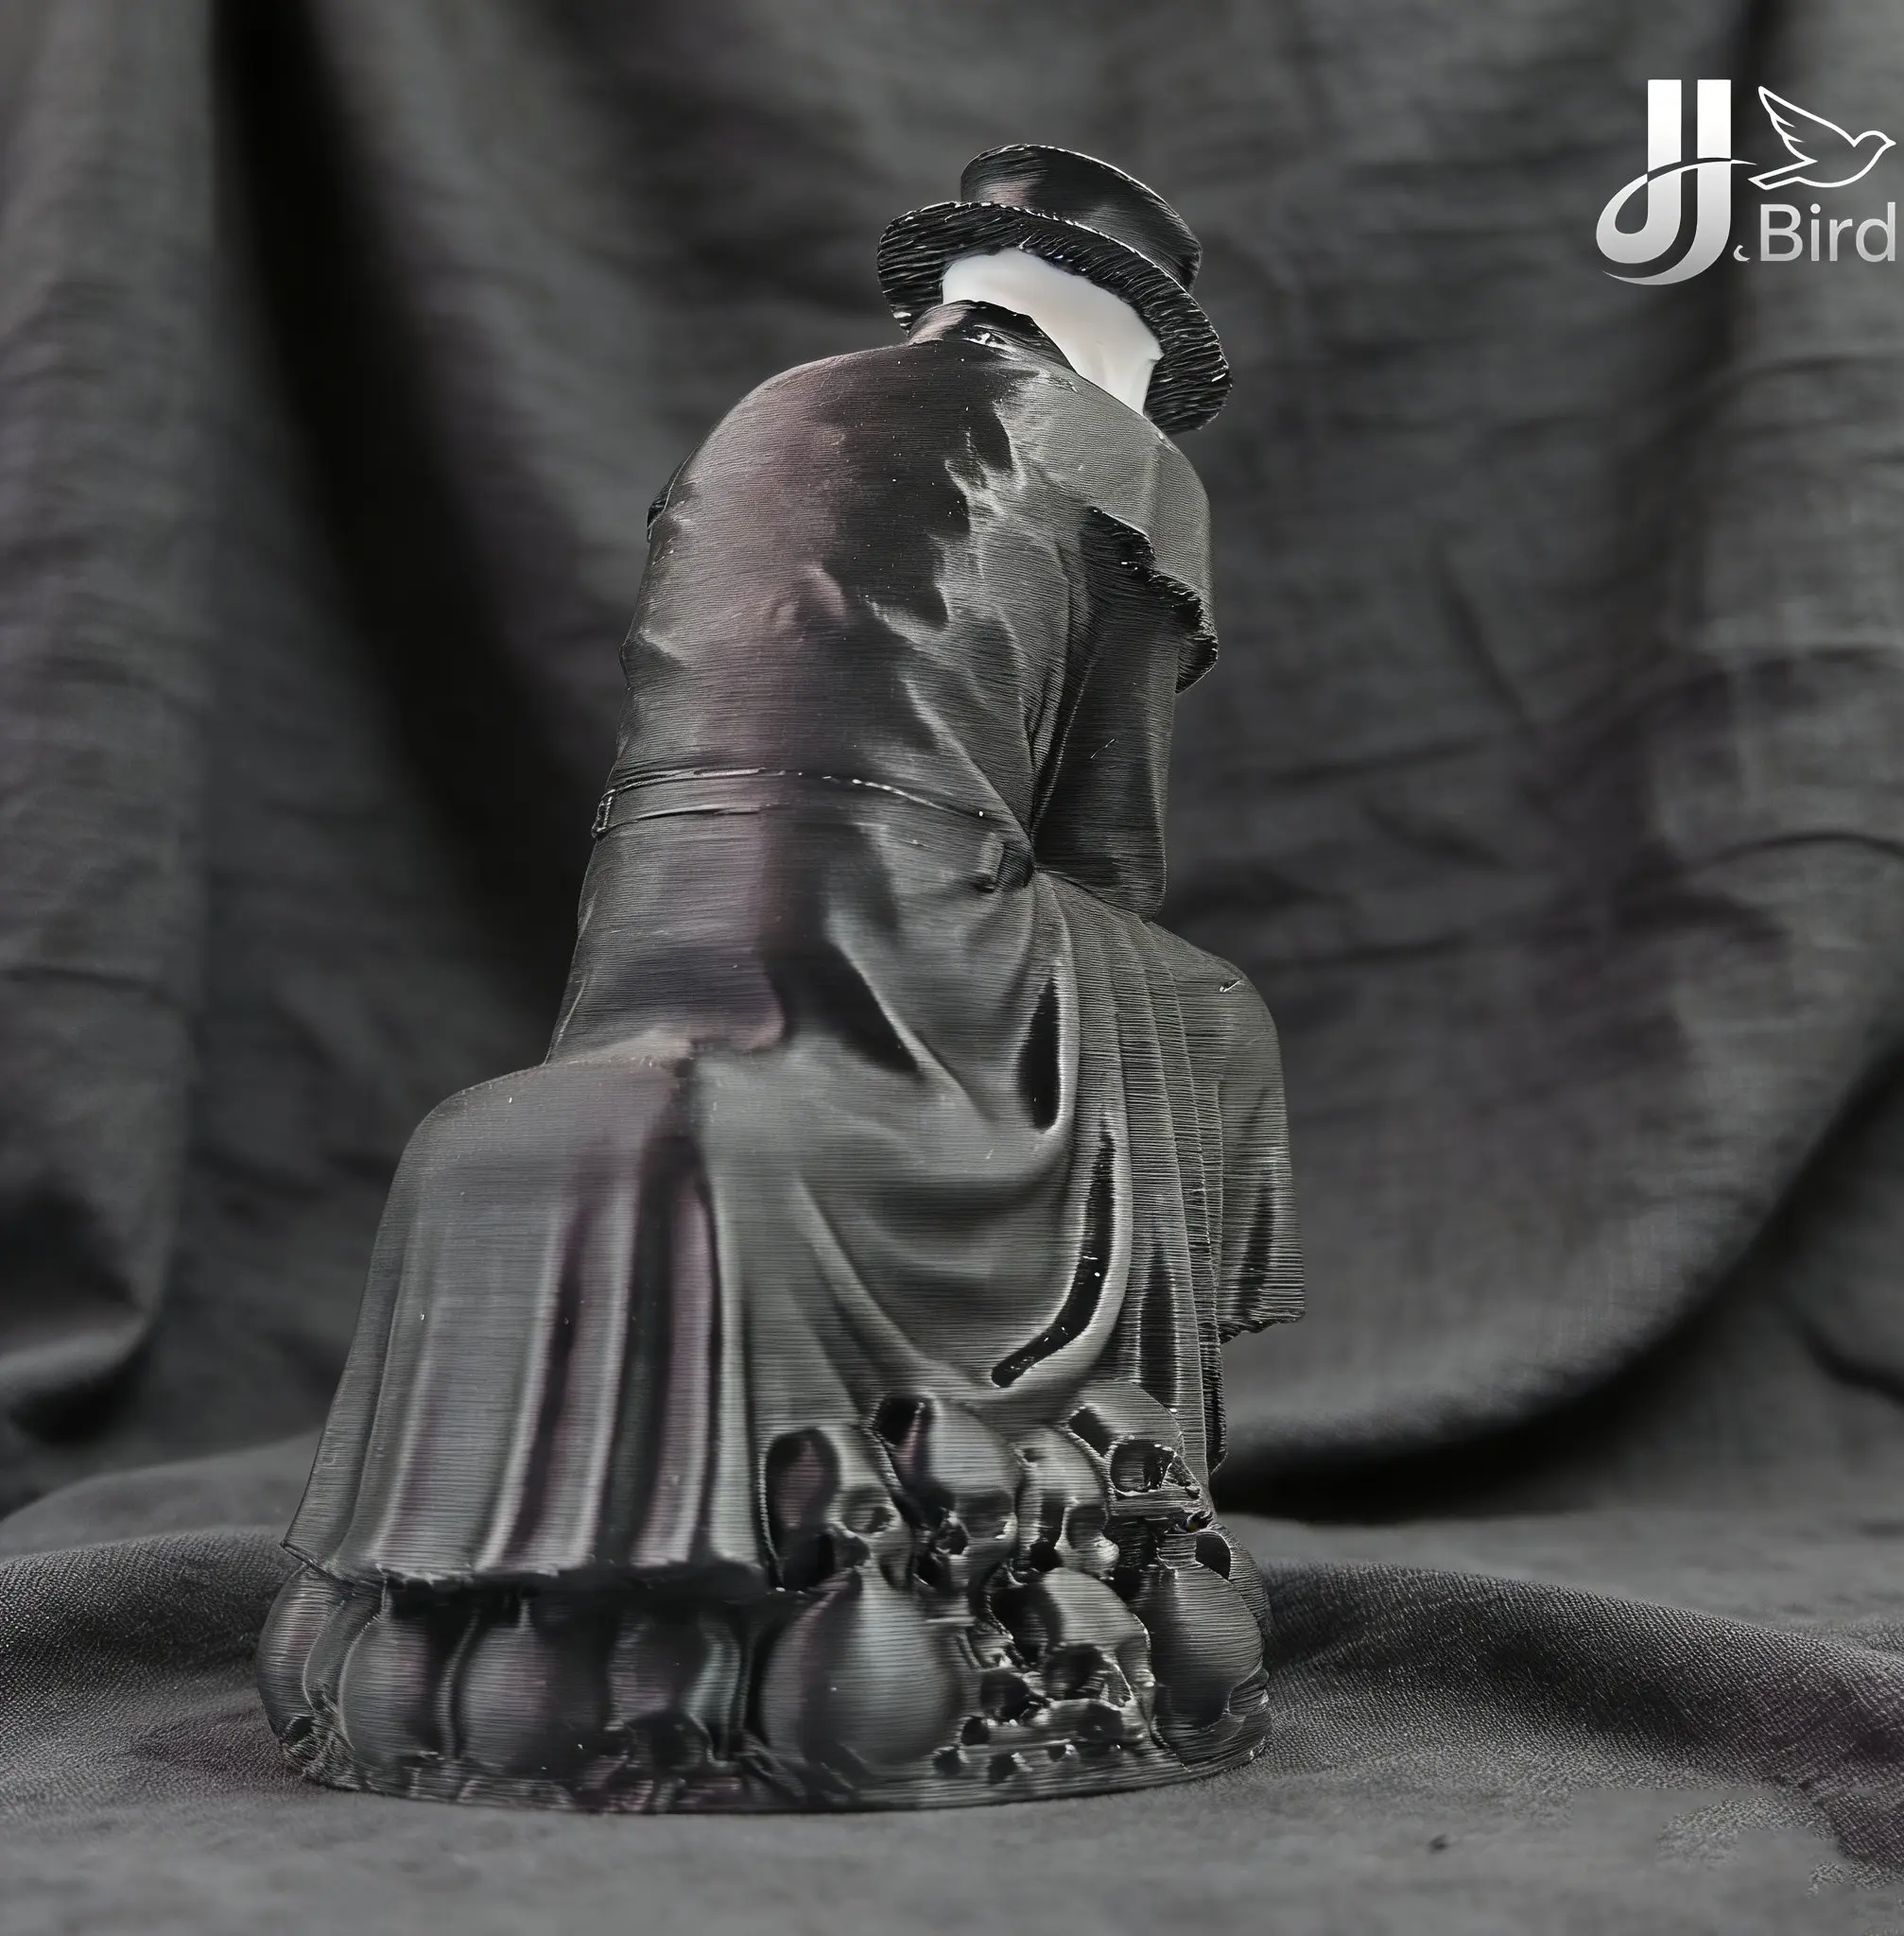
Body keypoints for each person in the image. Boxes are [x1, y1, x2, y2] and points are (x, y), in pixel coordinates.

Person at [257, 144, 1303, 1812]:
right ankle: (1113, 1484)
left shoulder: (769, 408)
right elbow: (1106, 837)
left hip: (652, 922)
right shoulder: (1117, 455)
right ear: (1123, 331)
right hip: (897, 918)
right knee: (1207, 1012)